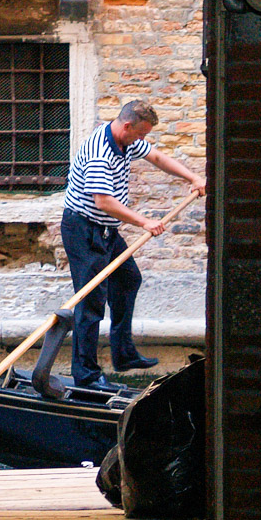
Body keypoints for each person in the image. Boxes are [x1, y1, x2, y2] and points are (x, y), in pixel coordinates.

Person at [61, 101, 205, 390]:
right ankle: (86, 376)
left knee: (128, 279)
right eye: (140, 134)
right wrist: (144, 222)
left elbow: (158, 158)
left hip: (105, 230)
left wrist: (193, 177)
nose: (142, 140)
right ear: (127, 126)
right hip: (83, 230)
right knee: (90, 302)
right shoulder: (100, 153)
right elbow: (103, 201)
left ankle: (123, 353)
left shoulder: (126, 140)